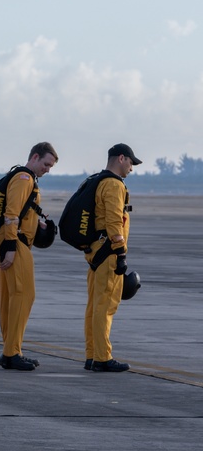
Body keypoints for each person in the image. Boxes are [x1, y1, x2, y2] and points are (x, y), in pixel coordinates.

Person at [0, 142, 58, 371]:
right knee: (24, 295)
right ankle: (11, 352)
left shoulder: (25, 178)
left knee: (10, 298)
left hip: (13, 240)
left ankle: (11, 350)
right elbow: (11, 214)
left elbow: (19, 211)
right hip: (15, 242)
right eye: (46, 164)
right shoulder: (24, 178)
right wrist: (10, 246)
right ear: (35, 157)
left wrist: (35, 222)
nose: (47, 169)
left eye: (50, 166)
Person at [83, 143, 140, 372]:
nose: (131, 169)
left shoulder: (99, 181)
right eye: (130, 163)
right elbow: (115, 222)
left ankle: (91, 354)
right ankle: (103, 358)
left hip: (96, 252)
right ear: (121, 158)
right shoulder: (114, 185)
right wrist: (120, 252)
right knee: (105, 306)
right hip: (108, 254)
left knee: (94, 306)